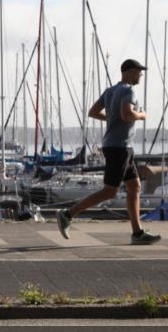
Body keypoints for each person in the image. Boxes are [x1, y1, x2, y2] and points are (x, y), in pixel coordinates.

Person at [57, 59, 161, 245]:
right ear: (128, 72)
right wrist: (142, 115)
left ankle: (137, 233)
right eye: (138, 71)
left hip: (121, 147)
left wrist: (113, 119)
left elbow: (93, 112)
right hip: (119, 147)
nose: (141, 75)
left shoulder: (110, 91)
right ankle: (67, 215)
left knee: (134, 186)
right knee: (110, 191)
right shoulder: (128, 91)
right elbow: (127, 115)